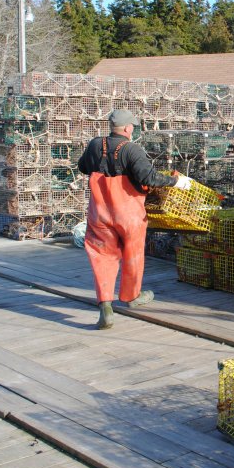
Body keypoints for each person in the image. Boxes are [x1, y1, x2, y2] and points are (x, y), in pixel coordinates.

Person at [77, 109, 193, 329]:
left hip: (99, 212)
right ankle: (131, 296)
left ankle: (105, 305)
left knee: (102, 256)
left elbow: (83, 167)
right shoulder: (132, 149)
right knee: (133, 255)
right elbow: (149, 177)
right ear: (129, 128)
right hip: (128, 213)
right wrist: (176, 182)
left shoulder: (94, 144)